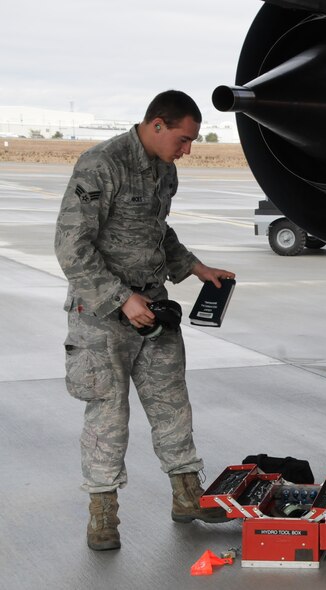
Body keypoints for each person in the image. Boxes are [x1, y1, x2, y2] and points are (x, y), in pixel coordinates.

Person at [55, 90, 235, 551]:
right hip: (101, 317)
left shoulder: (164, 169)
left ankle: (187, 494)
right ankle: (102, 514)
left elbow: (159, 229)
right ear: (157, 124)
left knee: (172, 404)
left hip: (153, 309)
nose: (188, 150)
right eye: (183, 139)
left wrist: (195, 267)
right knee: (107, 414)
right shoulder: (102, 164)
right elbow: (72, 246)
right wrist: (121, 299)